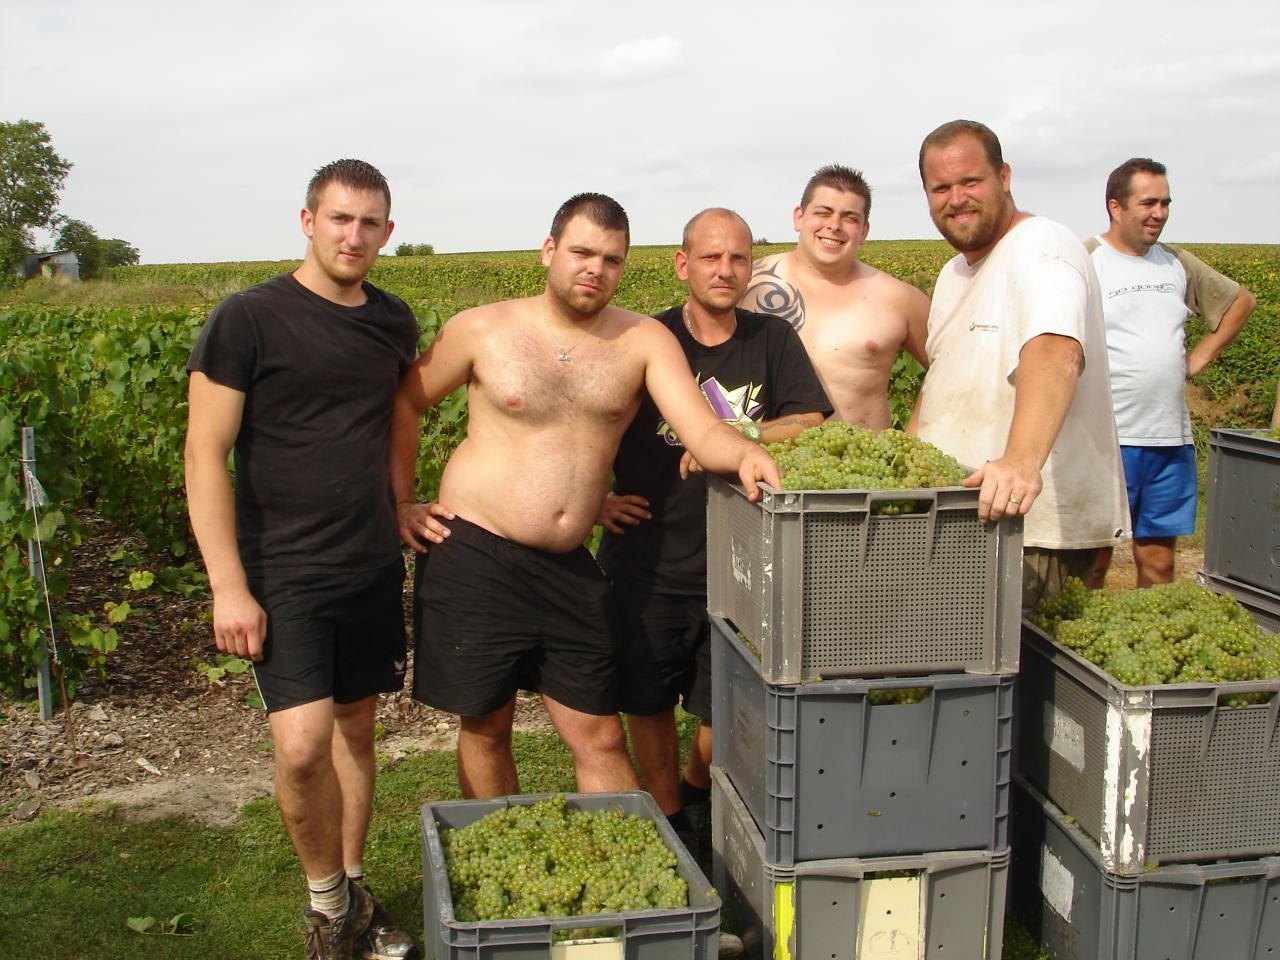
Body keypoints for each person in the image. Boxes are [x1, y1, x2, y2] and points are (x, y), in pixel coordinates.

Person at [391, 193, 781, 801]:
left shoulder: (644, 341)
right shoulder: (482, 329)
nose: (595, 268)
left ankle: (636, 895)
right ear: (549, 252)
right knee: (488, 725)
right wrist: (401, 503)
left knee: (599, 732)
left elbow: (701, 429)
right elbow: (406, 402)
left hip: (571, 566)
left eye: (612, 258)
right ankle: (506, 880)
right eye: (581, 252)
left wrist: (747, 451)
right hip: (476, 553)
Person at [185, 159, 418, 960]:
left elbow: (394, 424)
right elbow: (204, 454)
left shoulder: (393, 321)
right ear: (308, 221)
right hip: (283, 571)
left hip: (369, 565)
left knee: (357, 730)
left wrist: (404, 504)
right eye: (340, 219)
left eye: (370, 223)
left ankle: (354, 890)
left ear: (389, 232)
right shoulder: (247, 319)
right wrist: (228, 586)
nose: (355, 236)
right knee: (300, 745)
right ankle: (326, 906)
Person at [596, 208, 831, 858]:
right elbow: (587, 423)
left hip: (739, 563)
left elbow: (810, 418)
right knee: (644, 700)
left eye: (737, 259)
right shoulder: (646, 338)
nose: (725, 271)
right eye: (710, 258)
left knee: (719, 706)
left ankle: (697, 791)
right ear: (683, 264)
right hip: (646, 557)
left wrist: (737, 436)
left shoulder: (771, 339)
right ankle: (673, 817)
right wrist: (594, 502)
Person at [910, 121, 1129, 609]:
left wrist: (1021, 461)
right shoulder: (954, 273)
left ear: (1004, 176)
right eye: (940, 187)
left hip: (1033, 531)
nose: (956, 198)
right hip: (966, 519)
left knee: (1020, 678)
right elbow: (940, 381)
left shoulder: (1041, 248)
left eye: (971, 181)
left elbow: (1055, 350)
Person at [1084, 158, 1256, 588]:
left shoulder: (1175, 263)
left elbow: (1241, 303)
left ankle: (1144, 645)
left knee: (1159, 565)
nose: (1159, 213)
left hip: (1167, 440)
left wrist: (1198, 358)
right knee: (1091, 564)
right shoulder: (1086, 261)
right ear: (1115, 207)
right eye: (1148, 203)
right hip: (1106, 441)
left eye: (1165, 203)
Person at [741, 164, 930, 428]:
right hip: (760, 459)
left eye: (850, 218)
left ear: (864, 231)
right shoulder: (748, 283)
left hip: (863, 464)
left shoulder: (898, 298)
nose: (834, 226)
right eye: (823, 212)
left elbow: (950, 369)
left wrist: (912, 439)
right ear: (799, 217)